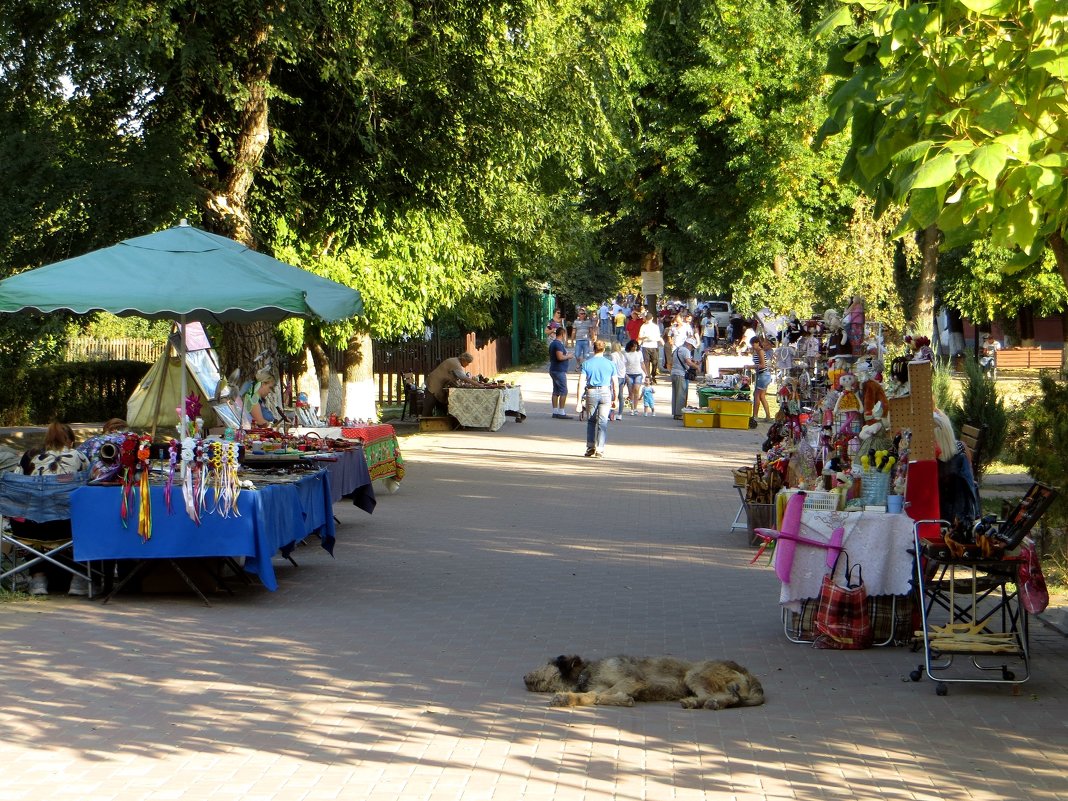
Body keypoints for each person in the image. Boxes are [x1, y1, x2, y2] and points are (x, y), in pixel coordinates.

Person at [18, 422, 91, 596]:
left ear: (47, 440)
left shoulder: (30, 456)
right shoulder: (79, 456)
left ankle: (38, 579)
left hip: (31, 527)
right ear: (70, 442)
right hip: (67, 525)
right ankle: (79, 578)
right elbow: (91, 483)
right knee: (89, 519)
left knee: (29, 515)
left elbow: (17, 485)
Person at [422, 352, 493, 416]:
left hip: (436, 384)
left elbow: (455, 378)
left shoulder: (454, 361)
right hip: (434, 384)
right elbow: (463, 377)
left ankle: (437, 422)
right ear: (464, 360)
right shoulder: (455, 363)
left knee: (440, 405)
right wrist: (478, 385)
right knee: (429, 405)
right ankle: (424, 423)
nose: (468, 364)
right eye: (468, 362)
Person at [580, 340, 616, 458]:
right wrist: (615, 398)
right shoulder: (610, 364)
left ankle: (590, 447)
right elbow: (615, 383)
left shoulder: (587, 364)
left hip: (591, 392)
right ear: (604, 350)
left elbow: (581, 382)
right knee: (603, 422)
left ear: (593, 349)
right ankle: (600, 449)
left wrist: (578, 401)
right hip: (606, 392)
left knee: (591, 421)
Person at [670, 337, 699, 420]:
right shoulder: (686, 350)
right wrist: (697, 367)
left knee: (675, 394)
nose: (692, 349)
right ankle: (679, 414)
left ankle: (676, 412)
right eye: (692, 347)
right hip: (681, 374)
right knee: (681, 394)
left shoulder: (677, 349)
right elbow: (688, 362)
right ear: (689, 344)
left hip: (674, 372)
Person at [548, 327, 573, 419]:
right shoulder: (558, 345)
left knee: (556, 391)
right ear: (563, 334)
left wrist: (565, 355)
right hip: (559, 370)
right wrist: (568, 356)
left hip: (554, 369)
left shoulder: (553, 344)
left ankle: (555, 411)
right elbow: (559, 357)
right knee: (563, 390)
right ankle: (561, 412)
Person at [750, 335, 773, 426]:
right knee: (762, 396)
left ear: (757, 343)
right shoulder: (758, 351)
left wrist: (750, 366)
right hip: (763, 375)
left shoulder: (760, 351)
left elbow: (762, 365)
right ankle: (768, 416)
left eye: (753, 344)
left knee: (756, 395)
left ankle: (755, 416)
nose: (752, 346)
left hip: (763, 375)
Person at [638, 313, 664, 385]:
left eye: (649, 319)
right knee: (646, 362)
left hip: (654, 345)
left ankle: (653, 375)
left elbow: (658, 336)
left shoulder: (655, 327)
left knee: (655, 362)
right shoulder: (643, 326)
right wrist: (644, 338)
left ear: (652, 319)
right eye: (647, 319)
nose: (648, 321)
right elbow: (640, 336)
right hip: (646, 345)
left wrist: (661, 342)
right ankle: (648, 377)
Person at [622, 339, 645, 415]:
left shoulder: (639, 353)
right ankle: (631, 408)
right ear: (630, 346)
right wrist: (624, 374)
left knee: (636, 390)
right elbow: (624, 365)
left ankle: (635, 408)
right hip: (629, 374)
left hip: (638, 373)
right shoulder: (626, 354)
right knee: (630, 392)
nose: (635, 348)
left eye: (636, 346)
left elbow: (642, 363)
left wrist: (647, 374)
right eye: (633, 346)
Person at [609, 341, 627, 421]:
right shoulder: (622, 355)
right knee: (620, 396)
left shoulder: (613, 355)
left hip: (616, 377)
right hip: (622, 376)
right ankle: (620, 414)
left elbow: (613, 365)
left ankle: (611, 413)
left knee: (612, 395)